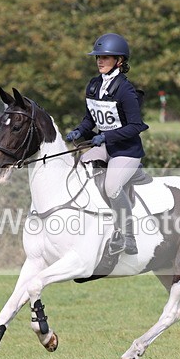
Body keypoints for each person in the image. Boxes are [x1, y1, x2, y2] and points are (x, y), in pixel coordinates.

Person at [65, 33, 148, 255]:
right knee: (79, 169)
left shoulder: (125, 90)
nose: (100, 61)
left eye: (105, 57)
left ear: (119, 61)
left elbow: (136, 126)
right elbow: (90, 120)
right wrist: (79, 131)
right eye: (98, 57)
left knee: (112, 187)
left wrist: (107, 137)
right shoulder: (93, 86)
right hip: (104, 147)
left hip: (127, 150)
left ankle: (128, 237)